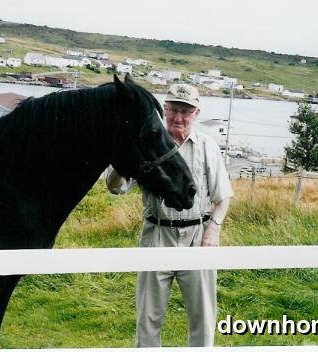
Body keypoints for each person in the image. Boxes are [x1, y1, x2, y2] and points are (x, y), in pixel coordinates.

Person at [106, 83, 233, 347]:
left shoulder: (208, 147)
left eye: (185, 112)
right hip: (156, 234)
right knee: (149, 316)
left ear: (196, 113)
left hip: (197, 237)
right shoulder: (147, 142)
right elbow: (115, 188)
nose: (178, 117)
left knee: (203, 316)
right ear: (164, 109)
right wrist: (120, 159)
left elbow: (223, 197)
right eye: (173, 110)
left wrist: (213, 230)